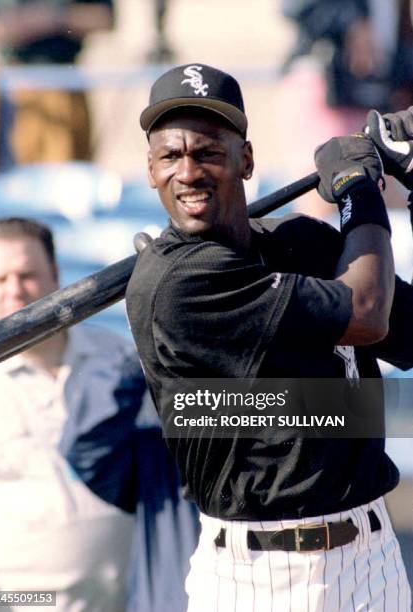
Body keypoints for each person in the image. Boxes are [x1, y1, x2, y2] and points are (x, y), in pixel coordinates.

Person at [125, 63, 413, 610]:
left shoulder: (301, 242)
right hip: (258, 574)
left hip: (372, 558)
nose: (188, 171)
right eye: (171, 156)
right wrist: (359, 189)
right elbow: (368, 314)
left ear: (247, 160)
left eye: (208, 151)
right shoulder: (178, 283)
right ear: (150, 169)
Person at [0, 216, 200, 612]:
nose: (15, 290)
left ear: (56, 277)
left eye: (27, 274)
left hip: (126, 597)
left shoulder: (119, 358)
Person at [276, 0, 413, 216]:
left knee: (389, 205)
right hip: (324, 88)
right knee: (326, 192)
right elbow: (295, 6)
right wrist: (351, 22)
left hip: (377, 97)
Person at [0, 0, 114, 171]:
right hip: (15, 88)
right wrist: (19, 24)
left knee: (62, 173)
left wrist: (53, 18)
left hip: (65, 86)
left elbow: (104, 18)